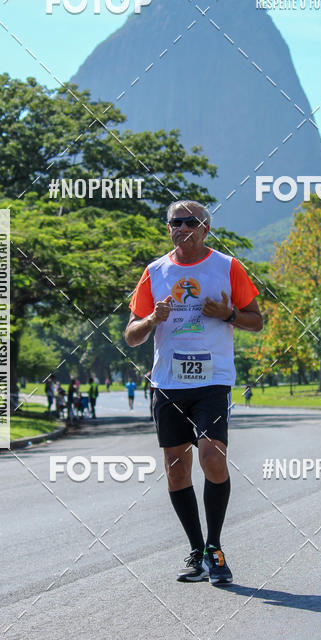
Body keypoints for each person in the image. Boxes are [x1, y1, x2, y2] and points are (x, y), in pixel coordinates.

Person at [125, 200, 263, 585]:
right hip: (168, 382)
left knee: (212, 457)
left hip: (213, 381)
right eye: (175, 222)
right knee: (176, 468)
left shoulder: (227, 267)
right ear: (168, 228)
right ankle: (196, 548)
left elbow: (257, 320)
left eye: (190, 222)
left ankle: (215, 548)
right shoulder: (154, 272)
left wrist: (229, 315)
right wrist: (153, 318)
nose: (182, 228)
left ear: (205, 228)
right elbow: (131, 335)